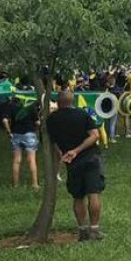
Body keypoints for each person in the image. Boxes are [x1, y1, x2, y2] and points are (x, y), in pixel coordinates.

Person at [47, 90, 106, 241]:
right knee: (93, 194)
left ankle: (82, 230)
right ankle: (95, 229)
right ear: (72, 101)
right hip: (90, 157)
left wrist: (64, 153)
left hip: (71, 161)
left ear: (58, 103)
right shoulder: (82, 114)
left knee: (78, 196)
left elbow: (52, 142)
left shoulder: (51, 120)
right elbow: (94, 135)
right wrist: (77, 150)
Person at [0, 91, 40, 189]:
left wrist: (9, 132)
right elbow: (38, 122)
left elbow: (5, 120)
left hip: (16, 134)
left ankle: (16, 184)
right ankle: (34, 184)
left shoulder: (11, 107)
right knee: (31, 160)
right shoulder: (30, 108)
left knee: (16, 160)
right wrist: (37, 129)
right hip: (30, 134)